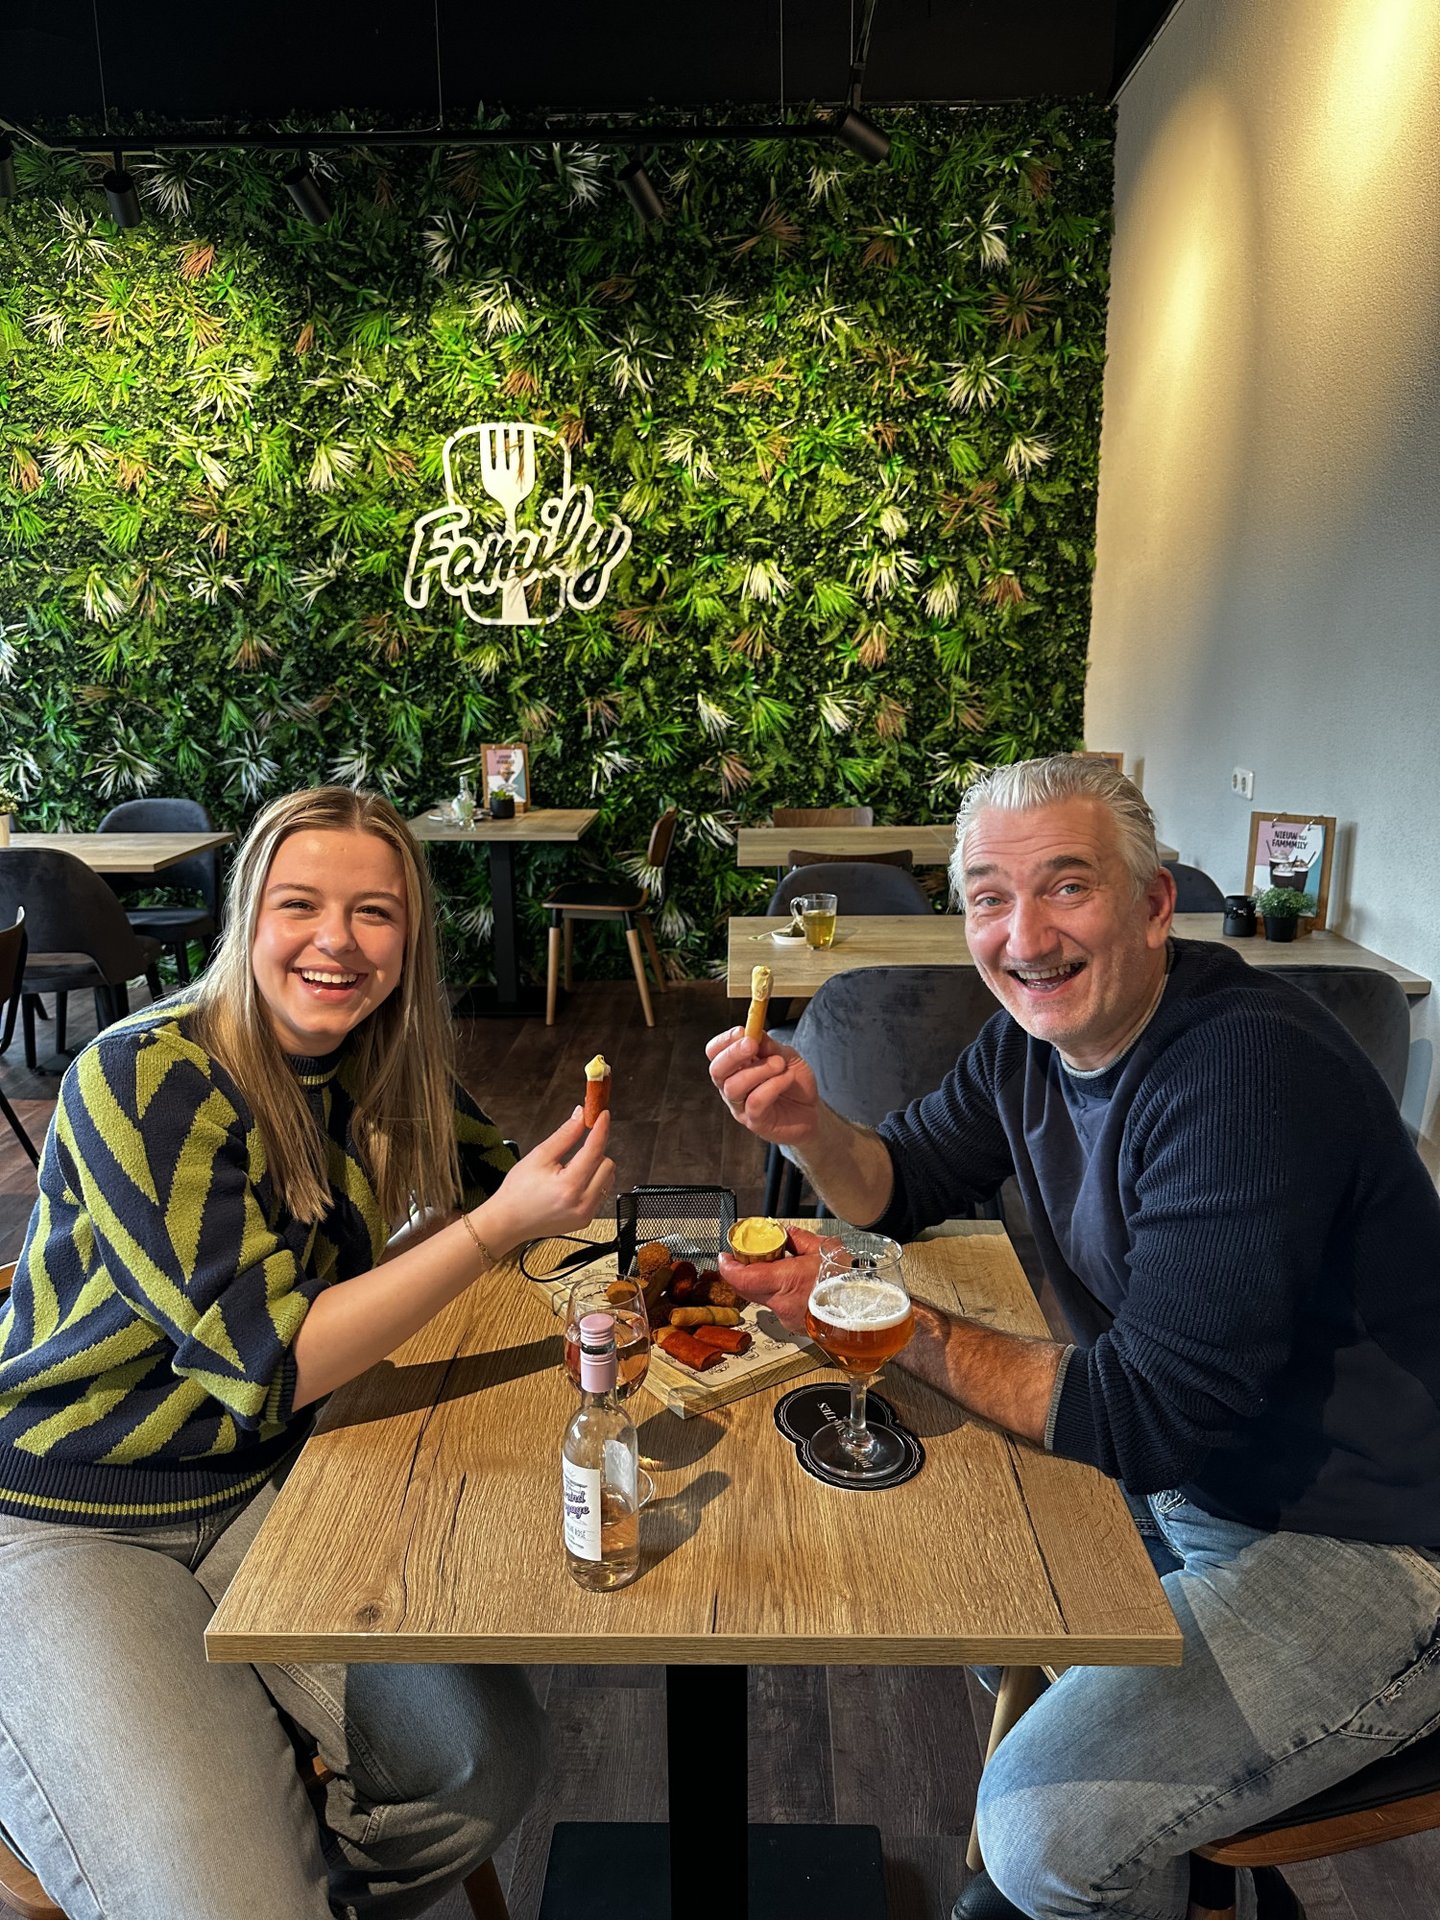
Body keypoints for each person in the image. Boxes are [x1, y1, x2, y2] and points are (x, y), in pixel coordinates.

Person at [708, 755, 1440, 1920]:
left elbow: (1144, 1414)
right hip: (1196, 1478)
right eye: (990, 898)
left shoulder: (1243, 1069)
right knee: (963, 1581)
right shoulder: (1031, 1047)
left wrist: (883, 1319)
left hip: (1369, 1537)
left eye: (1067, 886)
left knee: (1037, 1832)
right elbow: (903, 1185)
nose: (1026, 936)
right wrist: (806, 1125)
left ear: (1153, 906)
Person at [0, 786, 614, 1920]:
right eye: (300, 904)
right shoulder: (148, 1073)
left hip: (271, 1483)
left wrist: (560, 1199)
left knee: (480, 1773)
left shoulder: (387, 1065)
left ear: (410, 940)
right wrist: (492, 1230)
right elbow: (271, 1361)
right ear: (248, 913)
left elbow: (513, 1189)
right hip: (68, 1515)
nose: (338, 940)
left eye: (375, 913)